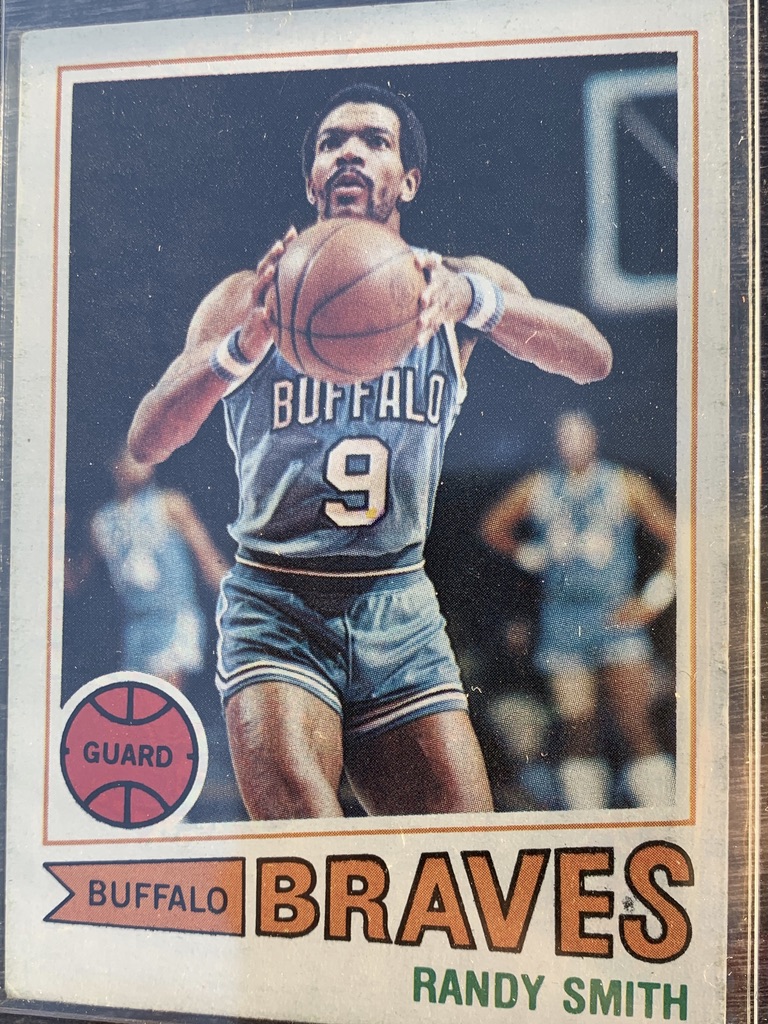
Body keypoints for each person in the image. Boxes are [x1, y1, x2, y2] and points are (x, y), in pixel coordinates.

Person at [127, 83, 612, 820]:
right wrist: (244, 344)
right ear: (311, 180)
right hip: (278, 601)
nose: (349, 152)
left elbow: (591, 358)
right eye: (332, 142)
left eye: (374, 141)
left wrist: (478, 301)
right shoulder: (247, 297)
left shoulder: (454, 284)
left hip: (398, 603)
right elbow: (148, 438)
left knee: (462, 860)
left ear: (408, 180)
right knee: (307, 851)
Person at [480, 410, 676, 809]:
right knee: (578, 726)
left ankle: (663, 816)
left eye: (579, 435)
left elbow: (677, 536)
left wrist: (654, 598)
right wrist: (526, 553)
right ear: (556, 442)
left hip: (615, 616)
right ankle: (586, 819)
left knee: (634, 724)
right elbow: (492, 527)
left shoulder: (623, 483)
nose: (572, 443)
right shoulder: (540, 486)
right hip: (563, 620)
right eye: (564, 436)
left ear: (594, 437)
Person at [90, 446, 229, 691]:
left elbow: (209, 561)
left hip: (174, 617)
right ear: (115, 465)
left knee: (163, 700)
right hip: (134, 626)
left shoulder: (170, 503)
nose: (146, 464)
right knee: (137, 707)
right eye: (136, 457)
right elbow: (76, 579)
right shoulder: (102, 521)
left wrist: (245, 600)